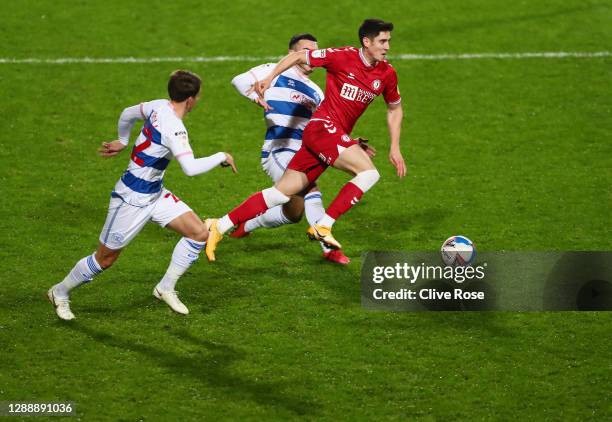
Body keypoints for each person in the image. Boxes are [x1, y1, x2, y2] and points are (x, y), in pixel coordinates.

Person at [204, 18, 406, 262]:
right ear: (366, 41)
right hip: (320, 130)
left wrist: (393, 146)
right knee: (369, 173)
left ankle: (220, 225)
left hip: (322, 136)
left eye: (388, 41)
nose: (387, 46)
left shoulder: (387, 73)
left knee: (281, 195)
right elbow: (298, 57)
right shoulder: (341, 56)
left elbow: (394, 108)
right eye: (382, 41)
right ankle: (324, 226)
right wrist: (270, 78)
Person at [47, 70, 237, 320]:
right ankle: (59, 292)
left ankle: (165, 288)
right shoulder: (175, 129)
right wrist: (221, 156)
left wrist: (123, 140)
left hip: (155, 194)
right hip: (131, 198)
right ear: (190, 100)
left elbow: (127, 113)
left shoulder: (158, 106)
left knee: (199, 233)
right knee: (105, 259)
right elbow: (190, 169)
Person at [229, 33, 350, 265]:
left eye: (313, 51)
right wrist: (257, 98)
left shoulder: (316, 91)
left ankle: (247, 224)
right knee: (311, 190)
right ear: (290, 53)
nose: (309, 55)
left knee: (293, 213)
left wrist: (350, 141)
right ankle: (329, 248)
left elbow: (326, 125)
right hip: (279, 149)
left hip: (304, 152)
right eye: (304, 50)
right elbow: (239, 80)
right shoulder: (275, 71)